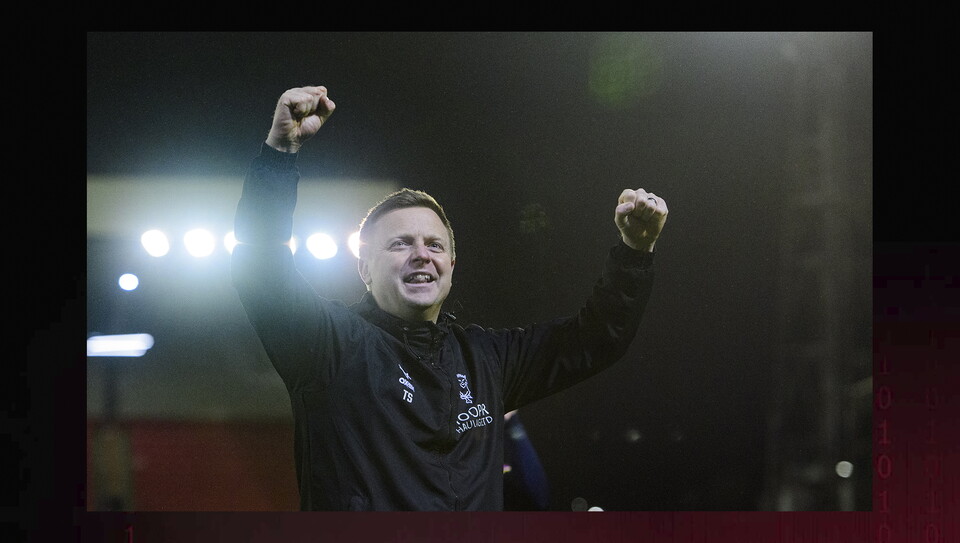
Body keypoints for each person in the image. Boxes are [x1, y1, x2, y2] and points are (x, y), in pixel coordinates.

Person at [231, 85, 668, 511]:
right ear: (364, 269)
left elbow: (594, 340)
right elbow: (260, 265)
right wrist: (280, 152)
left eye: (435, 245)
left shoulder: (488, 361)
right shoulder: (329, 346)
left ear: (451, 268)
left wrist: (635, 252)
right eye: (400, 243)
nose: (422, 253)